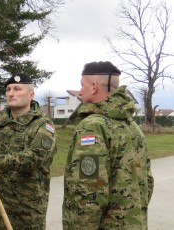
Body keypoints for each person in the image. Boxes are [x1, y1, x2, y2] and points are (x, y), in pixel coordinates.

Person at [62, 61, 154, 229]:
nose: (80, 91)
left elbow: (89, 193)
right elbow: (147, 180)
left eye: (82, 85)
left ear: (94, 87)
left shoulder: (92, 126)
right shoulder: (132, 125)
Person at [0, 73, 57, 230]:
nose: (10, 93)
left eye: (17, 89)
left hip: (26, 210)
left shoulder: (42, 126)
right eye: (8, 89)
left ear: (31, 95)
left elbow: (34, 159)